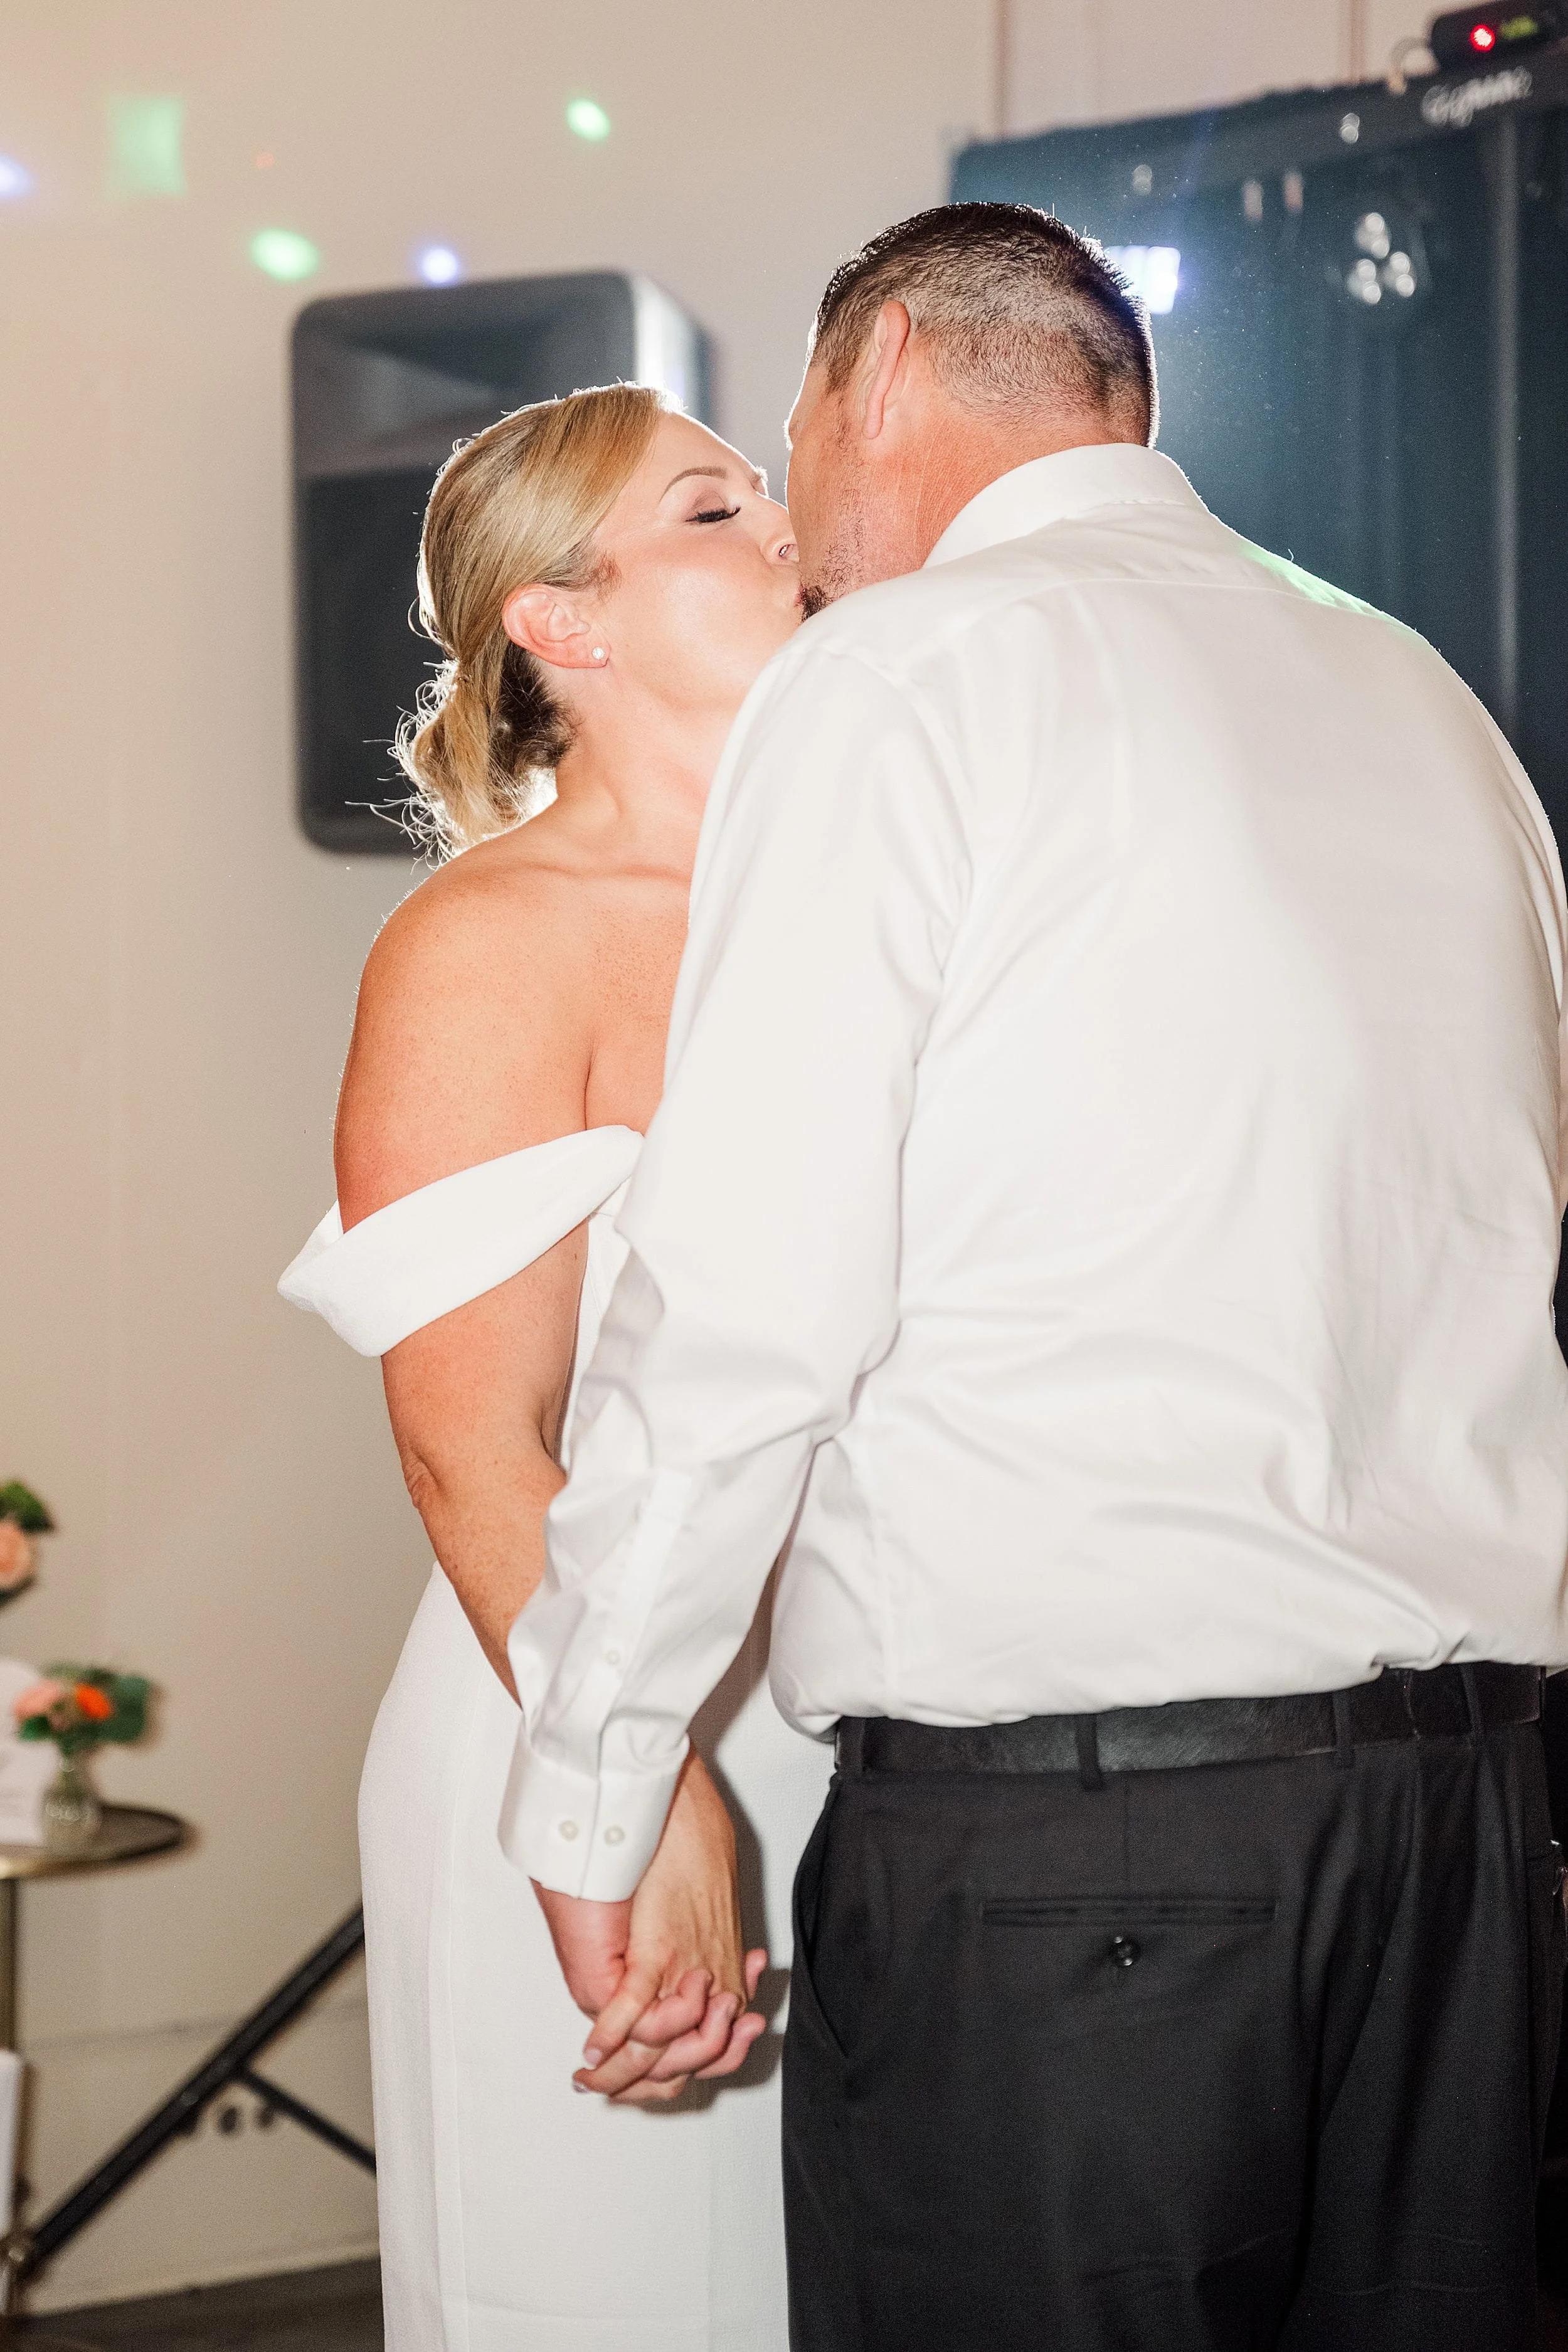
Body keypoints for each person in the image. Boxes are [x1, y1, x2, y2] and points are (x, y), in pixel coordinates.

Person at [505, 203, 1568, 2351]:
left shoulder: (902, 672)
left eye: (790, 442)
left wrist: (596, 1783)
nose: (798, 522)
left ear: (880, 372)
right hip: (1463, 1853)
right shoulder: (1425, 695)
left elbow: (735, 1304)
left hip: (1080, 1884)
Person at [279, 383, 832, 2351]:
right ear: (561, 624)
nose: (783, 525)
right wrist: (640, 1782)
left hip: (869, 1749)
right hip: (592, 1712)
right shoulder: (489, 939)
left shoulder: (856, 899)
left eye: (766, 492)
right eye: (711, 507)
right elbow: (464, 1437)